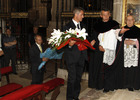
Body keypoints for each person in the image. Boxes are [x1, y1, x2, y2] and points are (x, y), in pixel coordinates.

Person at [88, 8, 128, 92]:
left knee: (109, 69)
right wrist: (98, 46)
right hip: (99, 51)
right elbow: (94, 38)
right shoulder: (97, 26)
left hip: (109, 50)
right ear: (101, 15)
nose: (105, 17)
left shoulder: (114, 24)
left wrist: (121, 32)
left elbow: (117, 34)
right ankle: (99, 85)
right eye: (104, 15)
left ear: (110, 15)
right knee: (100, 69)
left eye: (107, 14)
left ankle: (107, 86)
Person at [62, 7, 88, 100]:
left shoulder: (84, 26)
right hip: (72, 57)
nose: (83, 16)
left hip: (81, 56)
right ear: (76, 15)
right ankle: (69, 98)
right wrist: (69, 44)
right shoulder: (67, 26)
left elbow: (85, 40)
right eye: (82, 14)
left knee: (78, 79)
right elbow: (62, 43)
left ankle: (75, 96)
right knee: (72, 79)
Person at [117, 15, 140, 91]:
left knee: (132, 68)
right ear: (125, 21)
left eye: (131, 20)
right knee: (124, 67)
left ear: (134, 21)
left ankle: (131, 84)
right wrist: (124, 41)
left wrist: (134, 42)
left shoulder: (138, 30)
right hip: (123, 53)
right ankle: (123, 84)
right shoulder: (122, 30)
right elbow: (117, 40)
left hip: (134, 53)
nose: (129, 21)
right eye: (128, 20)